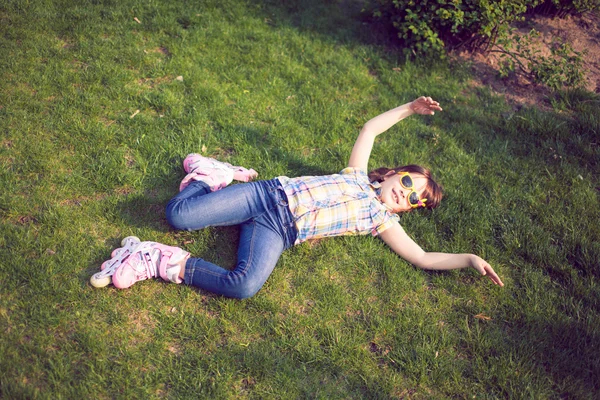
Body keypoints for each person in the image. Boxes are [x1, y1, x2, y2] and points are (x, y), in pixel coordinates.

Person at [105, 96, 504, 298]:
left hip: (278, 231)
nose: (404, 195)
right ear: (394, 173)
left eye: (413, 201)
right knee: (178, 215)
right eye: (406, 183)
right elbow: (369, 130)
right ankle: (212, 175)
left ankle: (159, 260)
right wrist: (408, 109)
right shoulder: (357, 174)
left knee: (243, 286)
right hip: (266, 195)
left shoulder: (381, 222)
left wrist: (468, 259)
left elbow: (422, 257)